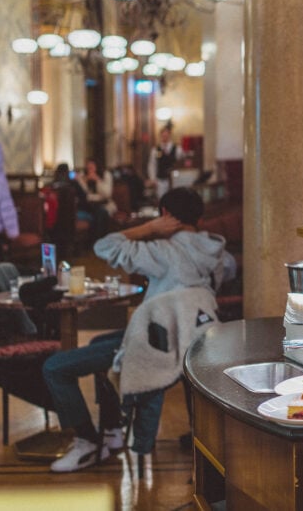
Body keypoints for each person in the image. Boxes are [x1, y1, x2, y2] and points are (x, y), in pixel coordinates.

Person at [43, 188, 237, 472]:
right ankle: (112, 433)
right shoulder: (217, 252)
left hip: (155, 345)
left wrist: (148, 228)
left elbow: (104, 247)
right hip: (194, 342)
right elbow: (230, 269)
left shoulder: (163, 251)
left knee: (55, 367)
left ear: (166, 215)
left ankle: (86, 443)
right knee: (100, 340)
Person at [75, 158, 115, 239]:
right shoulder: (83, 176)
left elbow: (107, 194)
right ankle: (91, 242)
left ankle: (99, 240)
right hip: (88, 206)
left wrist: (98, 180)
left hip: (105, 204)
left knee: (101, 213)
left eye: (92, 167)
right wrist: (83, 181)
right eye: (88, 168)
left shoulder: (106, 175)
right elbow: (84, 195)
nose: (90, 170)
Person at [147, 126, 179, 199]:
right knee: (162, 199)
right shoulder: (155, 150)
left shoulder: (176, 149)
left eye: (166, 135)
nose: (165, 137)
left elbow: (180, 163)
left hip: (173, 179)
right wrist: (153, 178)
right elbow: (152, 165)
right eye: (163, 135)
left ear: (169, 135)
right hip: (160, 179)